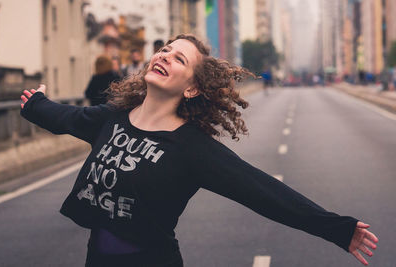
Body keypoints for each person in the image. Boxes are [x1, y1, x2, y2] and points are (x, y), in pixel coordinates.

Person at [20, 34, 378, 267]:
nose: (164, 56)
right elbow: (66, 117)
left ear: (191, 88)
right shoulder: (112, 118)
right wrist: (34, 103)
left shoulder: (191, 148)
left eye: (178, 59)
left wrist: (339, 229)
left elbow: (264, 192)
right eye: (164, 51)